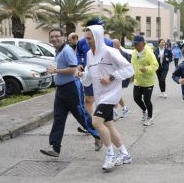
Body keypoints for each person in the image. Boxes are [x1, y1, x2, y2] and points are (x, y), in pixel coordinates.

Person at [78, 25, 133, 171]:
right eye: (86, 38)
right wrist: (82, 75)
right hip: (100, 95)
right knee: (108, 125)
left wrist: (111, 77)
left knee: (96, 122)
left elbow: (128, 68)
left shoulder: (110, 51)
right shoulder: (89, 54)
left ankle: (110, 154)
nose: (87, 41)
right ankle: (124, 154)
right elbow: (90, 77)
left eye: (89, 38)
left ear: (97, 37)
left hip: (112, 93)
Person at [40, 28, 102, 158]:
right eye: (52, 37)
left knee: (81, 115)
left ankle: (98, 135)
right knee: (58, 118)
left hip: (71, 88)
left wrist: (56, 70)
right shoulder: (59, 51)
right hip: (61, 89)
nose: (54, 39)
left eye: (57, 36)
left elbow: (73, 69)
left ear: (63, 37)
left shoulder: (67, 50)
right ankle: (54, 147)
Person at [76, 18, 113, 117]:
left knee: (102, 100)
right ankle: (89, 123)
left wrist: (111, 77)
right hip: (89, 75)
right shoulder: (82, 42)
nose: (102, 28)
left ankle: (104, 121)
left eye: (102, 26)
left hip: (103, 77)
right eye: (100, 26)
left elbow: (117, 66)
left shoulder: (108, 43)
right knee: (88, 99)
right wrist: (79, 63)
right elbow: (79, 53)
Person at [131, 35, 159, 126]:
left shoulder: (149, 53)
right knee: (136, 98)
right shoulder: (134, 52)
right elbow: (133, 64)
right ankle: (145, 110)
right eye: (134, 44)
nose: (135, 46)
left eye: (137, 44)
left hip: (148, 81)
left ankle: (150, 118)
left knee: (147, 99)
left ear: (143, 43)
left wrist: (146, 69)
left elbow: (155, 65)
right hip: (138, 80)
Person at [113, 39, 131, 118]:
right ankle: (123, 109)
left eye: (115, 44)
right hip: (115, 77)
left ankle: (115, 111)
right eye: (113, 44)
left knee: (115, 94)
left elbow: (129, 66)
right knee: (115, 94)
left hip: (122, 77)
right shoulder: (112, 53)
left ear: (119, 45)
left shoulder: (125, 54)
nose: (113, 46)